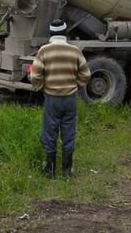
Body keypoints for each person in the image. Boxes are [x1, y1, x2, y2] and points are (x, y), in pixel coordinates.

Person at [30, 19, 91, 179]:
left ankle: (49, 170)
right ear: (65, 33)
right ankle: (67, 171)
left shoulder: (44, 51)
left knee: (50, 133)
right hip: (69, 99)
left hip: (51, 99)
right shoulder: (75, 51)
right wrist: (75, 86)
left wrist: (42, 86)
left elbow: (35, 75)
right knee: (68, 133)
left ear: (51, 34)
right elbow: (86, 75)